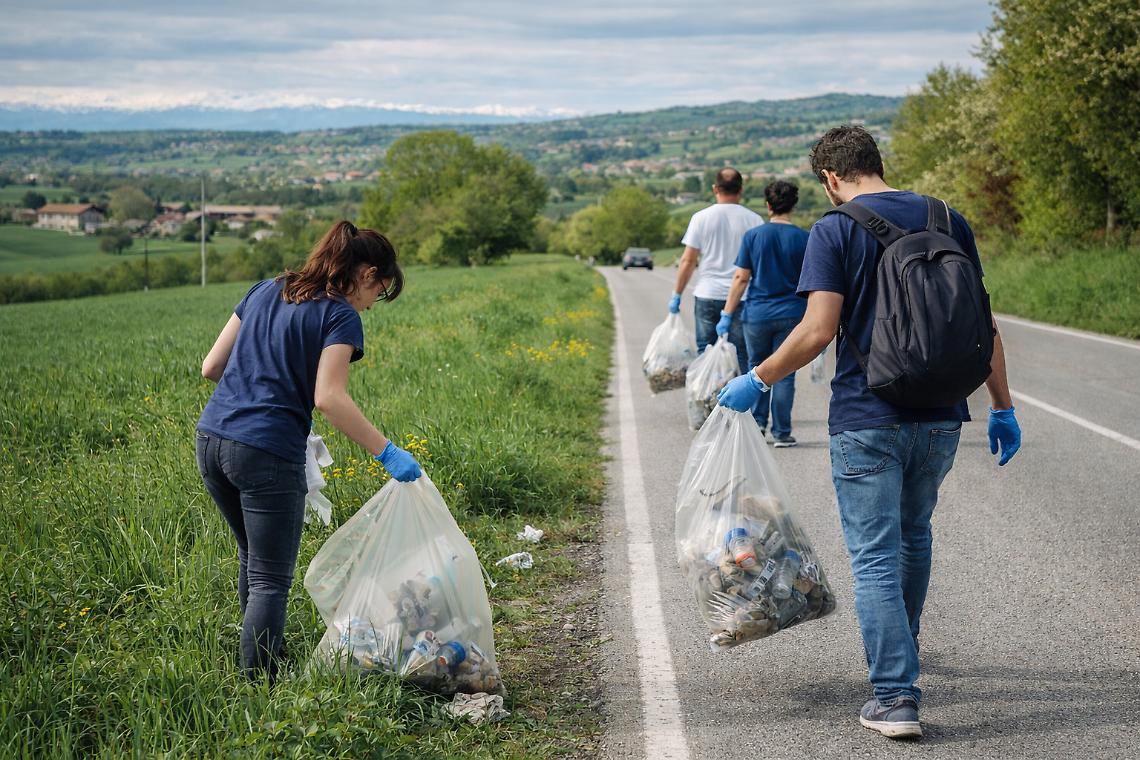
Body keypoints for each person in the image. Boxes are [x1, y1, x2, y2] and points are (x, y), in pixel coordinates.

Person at [717, 126, 1022, 739]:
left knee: (874, 558)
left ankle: (894, 696)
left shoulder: (835, 228)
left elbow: (817, 330)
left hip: (868, 416)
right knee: (914, 538)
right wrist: (1001, 407)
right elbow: (983, 323)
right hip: (941, 416)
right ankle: (899, 668)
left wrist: (759, 377)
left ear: (831, 179)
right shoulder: (947, 218)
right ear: (876, 164)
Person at [195, 220, 423, 680]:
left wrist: (258, 390)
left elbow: (211, 366)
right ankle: (259, 684)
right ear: (366, 274)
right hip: (266, 450)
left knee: (253, 561)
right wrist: (388, 453)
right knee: (270, 579)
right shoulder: (339, 315)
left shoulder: (265, 289)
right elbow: (329, 398)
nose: (371, 302)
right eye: (378, 291)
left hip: (211, 438)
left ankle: (262, 660)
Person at [716, 180, 809, 447]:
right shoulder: (805, 238)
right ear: (793, 205)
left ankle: (757, 426)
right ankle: (782, 432)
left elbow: (740, 278)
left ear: (768, 205)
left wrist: (727, 314)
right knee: (785, 372)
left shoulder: (754, 236)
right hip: (793, 314)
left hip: (757, 314)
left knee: (756, 370)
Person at [668, 167, 762, 374]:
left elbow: (688, 261)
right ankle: (738, 404)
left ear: (715, 189)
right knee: (741, 355)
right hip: (741, 297)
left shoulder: (700, 218)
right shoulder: (754, 221)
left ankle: (708, 401)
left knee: (705, 353)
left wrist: (677, 295)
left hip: (707, 295)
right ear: (741, 190)